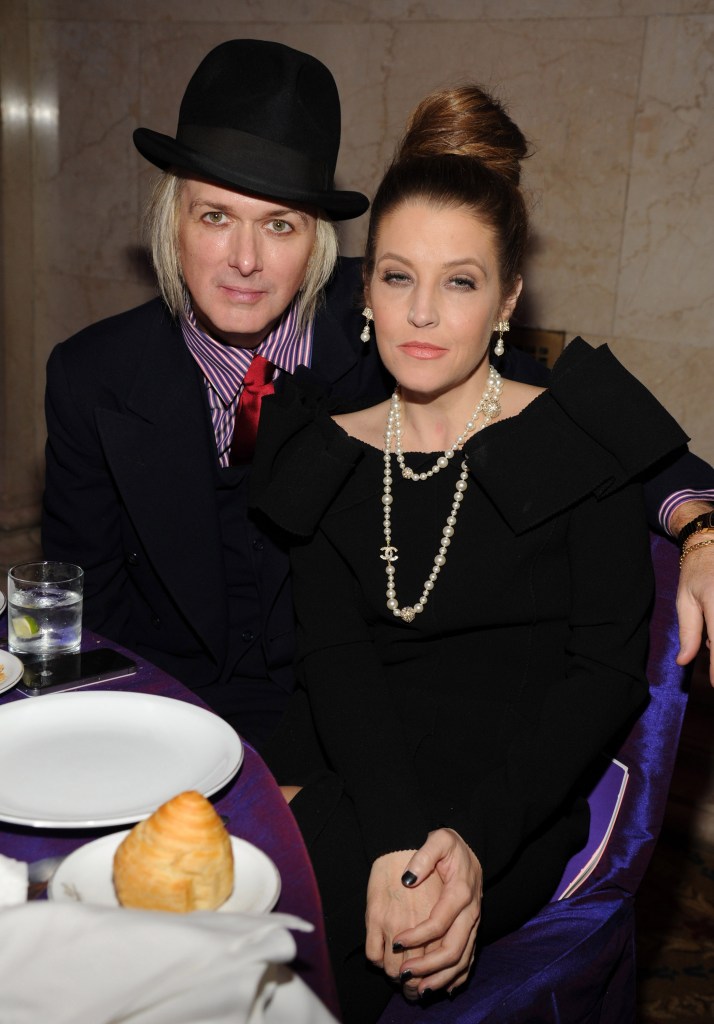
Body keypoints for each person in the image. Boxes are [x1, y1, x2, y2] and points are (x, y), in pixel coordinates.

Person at [41, 40, 714, 755]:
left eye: (279, 224)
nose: (244, 259)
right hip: (164, 722)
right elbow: (86, 613)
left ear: (319, 239)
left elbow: (582, 412)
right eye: (215, 216)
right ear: (171, 221)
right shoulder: (95, 375)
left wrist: (701, 529)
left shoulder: (389, 319)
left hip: (342, 733)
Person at [249, 85, 698, 1021]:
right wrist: (397, 842)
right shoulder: (324, 449)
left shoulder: (581, 437)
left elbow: (603, 675)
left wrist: (471, 845)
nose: (422, 312)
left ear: (507, 299)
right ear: (364, 290)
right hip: (359, 770)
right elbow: (337, 664)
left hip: (513, 792)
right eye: (398, 276)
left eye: (459, 280)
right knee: (230, 937)